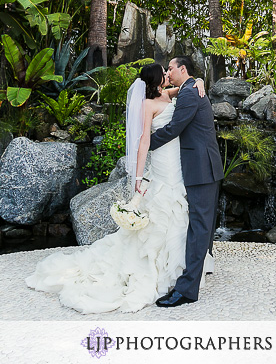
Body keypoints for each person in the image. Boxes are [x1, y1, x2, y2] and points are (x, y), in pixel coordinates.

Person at [25, 63, 207, 314]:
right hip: (163, 163)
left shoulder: (167, 94)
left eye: (169, 71)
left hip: (178, 161)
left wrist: (198, 81)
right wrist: (139, 176)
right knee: (163, 208)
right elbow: (144, 140)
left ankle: (179, 268)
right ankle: (158, 269)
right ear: (155, 80)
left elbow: (185, 88)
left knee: (178, 211)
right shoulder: (147, 105)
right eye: (164, 73)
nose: (167, 75)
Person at [151, 56, 224, 308]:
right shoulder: (189, 88)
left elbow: (174, 128)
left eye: (171, 68)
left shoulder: (190, 93)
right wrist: (198, 79)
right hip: (202, 168)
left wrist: (144, 144)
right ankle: (204, 268)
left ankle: (187, 290)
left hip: (201, 170)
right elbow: (163, 91)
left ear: (183, 69)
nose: (168, 73)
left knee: (198, 228)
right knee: (203, 225)